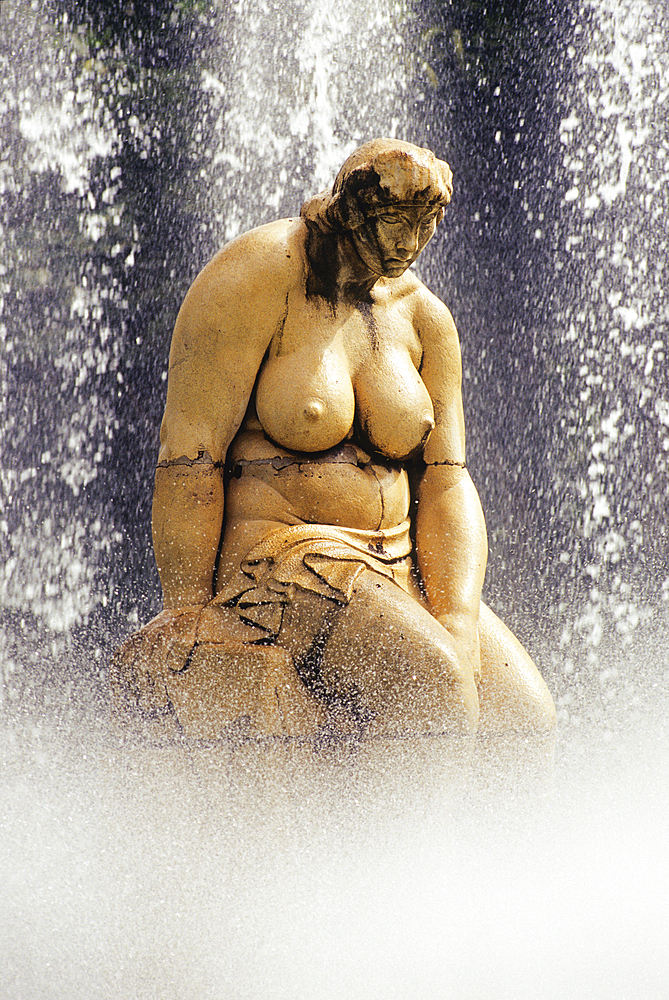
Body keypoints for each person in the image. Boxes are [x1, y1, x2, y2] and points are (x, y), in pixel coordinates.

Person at [113, 138, 556, 746]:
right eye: (394, 224)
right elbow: (191, 454)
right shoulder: (259, 276)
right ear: (350, 210)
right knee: (431, 684)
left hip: (396, 563)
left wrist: (456, 617)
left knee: (525, 722)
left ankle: (466, 841)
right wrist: (188, 610)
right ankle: (412, 847)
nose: (409, 244)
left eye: (425, 227)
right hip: (283, 559)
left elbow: (448, 477)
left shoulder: (425, 316)